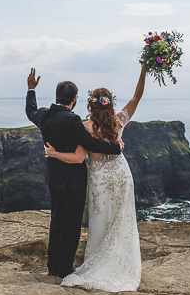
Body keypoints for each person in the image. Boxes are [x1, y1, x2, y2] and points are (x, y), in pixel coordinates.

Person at [44, 66, 146, 292]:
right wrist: (143, 70)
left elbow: (78, 158)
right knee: (123, 220)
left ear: (90, 105)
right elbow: (137, 97)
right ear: (111, 103)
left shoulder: (86, 128)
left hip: (100, 179)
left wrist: (53, 154)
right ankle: (122, 261)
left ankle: (99, 260)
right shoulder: (119, 121)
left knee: (101, 222)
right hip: (121, 175)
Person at [25, 68, 123, 278]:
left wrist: (31, 89)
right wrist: (117, 148)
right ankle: (64, 269)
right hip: (74, 182)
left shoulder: (44, 114)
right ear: (75, 99)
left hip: (54, 178)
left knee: (56, 222)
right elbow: (90, 144)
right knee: (71, 226)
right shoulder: (72, 120)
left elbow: (30, 111)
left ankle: (53, 267)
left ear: (57, 96)